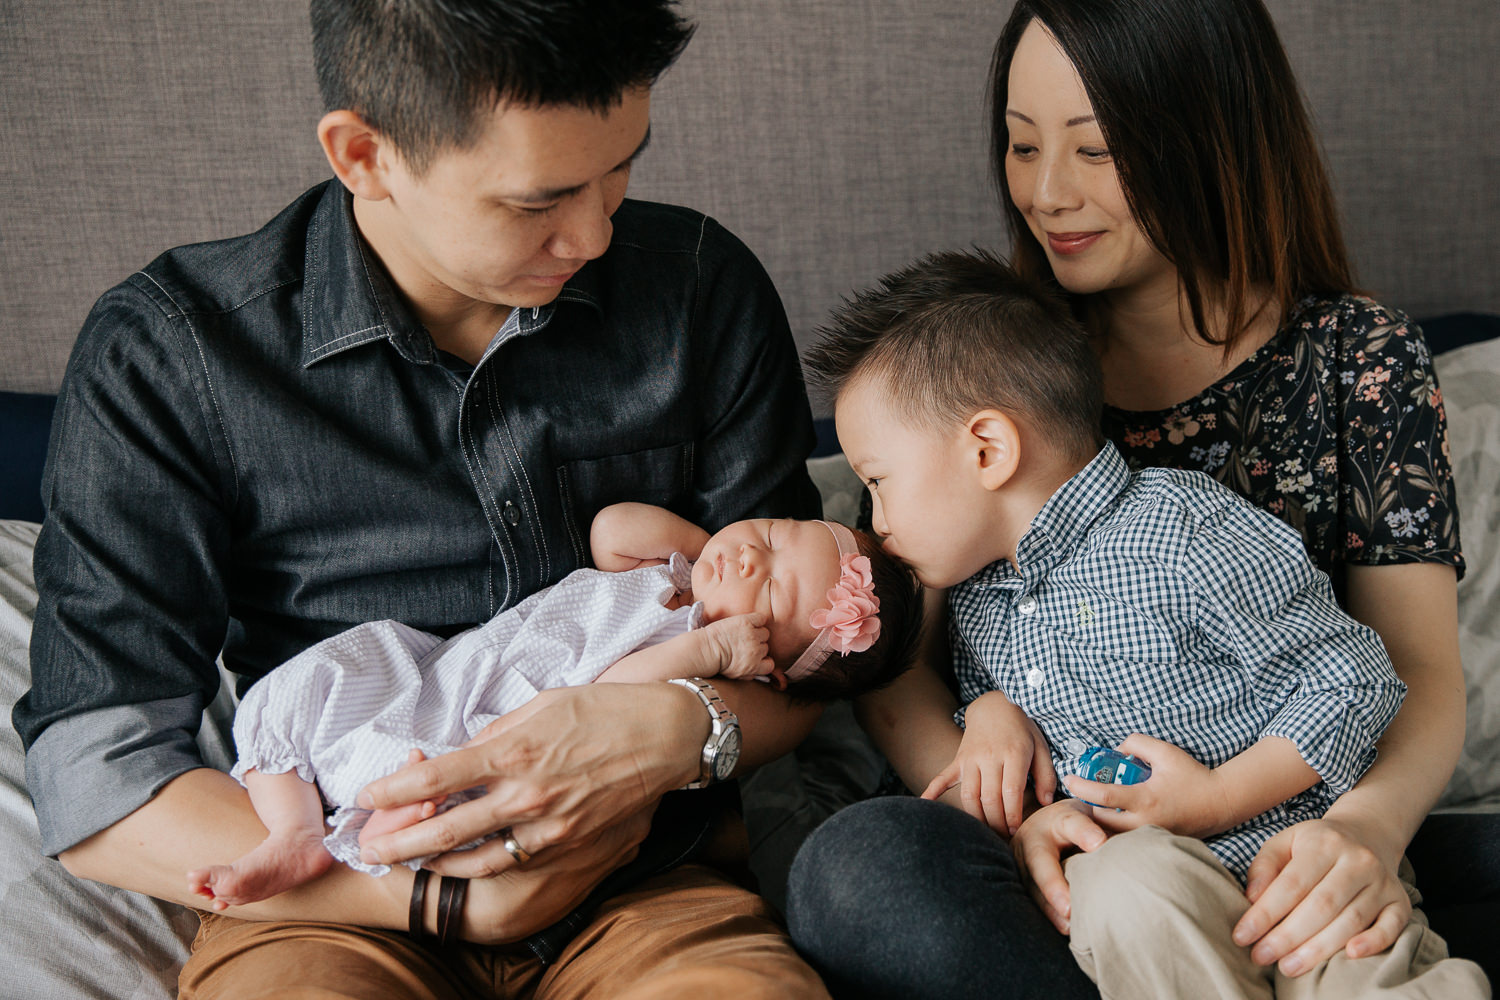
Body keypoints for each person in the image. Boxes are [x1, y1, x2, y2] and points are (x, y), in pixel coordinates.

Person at [15, 2, 841, 996]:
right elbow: (100, 770)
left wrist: (676, 731)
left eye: (620, 167)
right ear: (365, 154)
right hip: (327, 903)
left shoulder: (699, 292)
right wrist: (442, 898)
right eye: (540, 199)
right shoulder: (171, 357)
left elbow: (809, 670)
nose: (594, 230)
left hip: (645, 883)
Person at [790, 0, 1489, 996]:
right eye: (1021, 146)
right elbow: (897, 665)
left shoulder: (1355, 358)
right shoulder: (987, 362)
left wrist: (1361, 832)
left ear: (1210, 138)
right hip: (1089, 865)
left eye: (1095, 151)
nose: (1046, 191)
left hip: (1300, 823)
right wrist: (1016, 805)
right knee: (857, 869)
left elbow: (1409, 673)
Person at [188, 503, 918, 908]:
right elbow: (612, 529)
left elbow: (608, 701)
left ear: (771, 666)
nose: (752, 559)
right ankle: (294, 828)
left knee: (444, 782)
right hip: (448, 671)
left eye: (771, 591)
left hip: (503, 728)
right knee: (329, 674)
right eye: (769, 533)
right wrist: (709, 552)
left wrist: (709, 653)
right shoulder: (675, 579)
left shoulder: (694, 655)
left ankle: (370, 830)